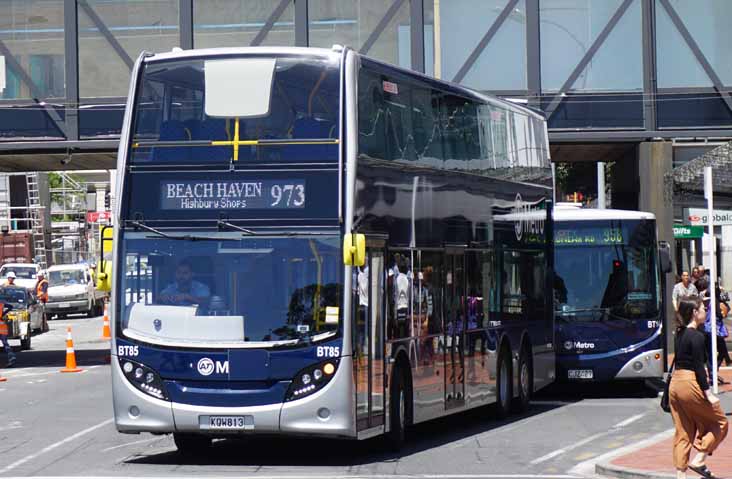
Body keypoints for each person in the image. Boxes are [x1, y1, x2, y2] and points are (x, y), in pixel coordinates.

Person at [669, 296, 729, 479]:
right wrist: (708, 392)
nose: (705, 311)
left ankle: (681, 475)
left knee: (683, 431)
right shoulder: (697, 336)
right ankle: (700, 458)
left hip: (675, 383)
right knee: (720, 423)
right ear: (694, 313)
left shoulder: (679, 334)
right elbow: (698, 367)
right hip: (690, 382)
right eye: (703, 308)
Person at [0, 302, 16, 366]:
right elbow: (11, 306)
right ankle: (11, 357)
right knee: (5, 343)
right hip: (2, 327)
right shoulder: (1, 304)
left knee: (5, 343)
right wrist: (3, 314)